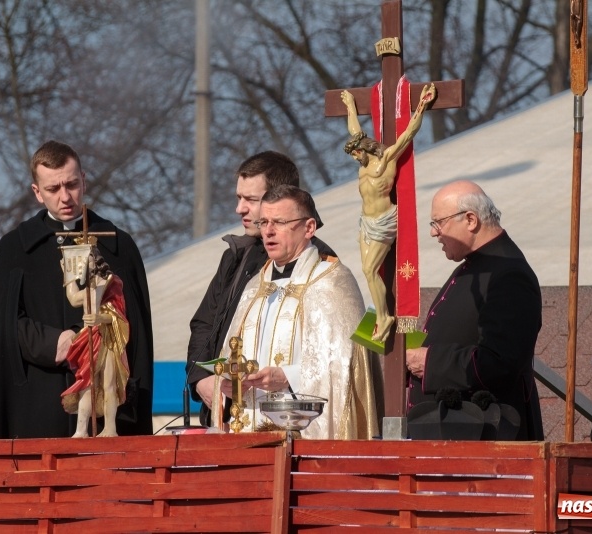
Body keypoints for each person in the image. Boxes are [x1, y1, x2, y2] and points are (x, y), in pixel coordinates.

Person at [0, 140, 153, 439]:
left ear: (83, 180)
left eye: (71, 184)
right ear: (36, 192)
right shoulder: (15, 250)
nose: (65, 197)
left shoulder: (117, 246)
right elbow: (2, 326)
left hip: (106, 395)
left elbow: (138, 335)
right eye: (53, 189)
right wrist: (52, 342)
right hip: (38, 401)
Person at [211, 184, 380, 439]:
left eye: (279, 222)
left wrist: (288, 377)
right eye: (264, 222)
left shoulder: (332, 281)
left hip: (305, 436)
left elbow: (345, 367)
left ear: (309, 227)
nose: (268, 231)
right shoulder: (254, 287)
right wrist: (229, 383)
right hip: (247, 432)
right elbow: (230, 357)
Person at [187, 151, 334, 426]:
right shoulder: (235, 256)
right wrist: (201, 379)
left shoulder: (318, 264)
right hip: (225, 415)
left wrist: (288, 375)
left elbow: (330, 352)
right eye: (239, 198)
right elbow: (204, 325)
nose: (239, 209)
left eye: (251, 200)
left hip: (284, 417)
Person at [405, 180, 544, 441]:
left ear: (470, 220)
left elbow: (499, 363)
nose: (434, 233)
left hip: (486, 437)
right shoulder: (477, 265)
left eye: (438, 222)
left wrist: (429, 362)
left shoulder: (509, 274)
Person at [341, 84, 436, 342]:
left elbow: (407, 134)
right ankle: (382, 315)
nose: (354, 159)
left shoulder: (386, 160)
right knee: (366, 269)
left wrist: (421, 106)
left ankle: (384, 318)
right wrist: (350, 104)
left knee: (371, 269)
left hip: (384, 221)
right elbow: (354, 129)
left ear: (366, 149)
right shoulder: (362, 165)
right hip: (366, 222)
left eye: (356, 153)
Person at [61, 247, 130, 438]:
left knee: (108, 384)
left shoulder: (111, 282)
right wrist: (68, 274)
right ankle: (81, 430)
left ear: (96, 260)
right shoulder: (90, 286)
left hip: (106, 338)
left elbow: (119, 315)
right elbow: (74, 298)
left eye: (88, 259)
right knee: (86, 382)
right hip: (88, 337)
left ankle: (110, 428)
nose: (85, 264)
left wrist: (101, 318)